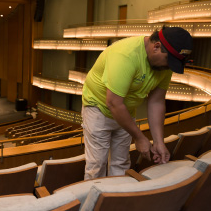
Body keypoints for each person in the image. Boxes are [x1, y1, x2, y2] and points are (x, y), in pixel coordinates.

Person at [81, 26, 193, 180]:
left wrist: (159, 142)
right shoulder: (125, 56)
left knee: (121, 163)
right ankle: (95, 202)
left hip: (125, 111)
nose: (169, 67)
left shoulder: (165, 65)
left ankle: (116, 201)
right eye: (169, 61)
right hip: (98, 108)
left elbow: (156, 102)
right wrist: (139, 138)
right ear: (156, 46)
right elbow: (113, 103)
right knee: (97, 165)